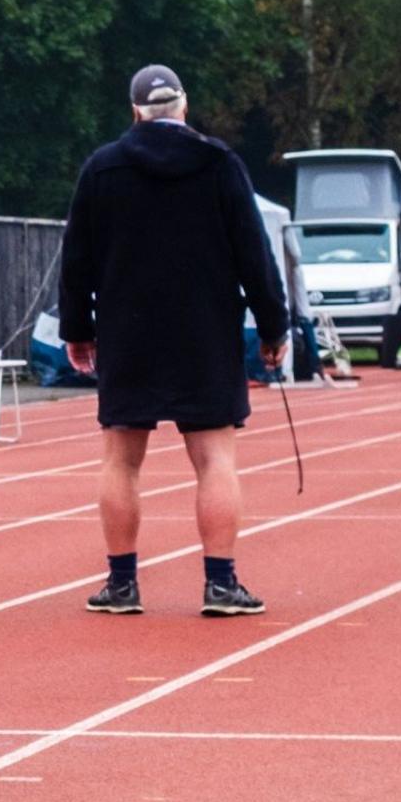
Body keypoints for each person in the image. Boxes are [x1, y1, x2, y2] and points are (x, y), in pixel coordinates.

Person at [57, 65, 288, 618]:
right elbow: (253, 252)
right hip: (205, 330)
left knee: (121, 458)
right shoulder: (219, 164)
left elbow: (77, 258)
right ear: (184, 106)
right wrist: (274, 324)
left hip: (128, 329)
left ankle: (121, 584)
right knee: (214, 459)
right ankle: (220, 583)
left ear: (134, 111)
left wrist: (77, 330)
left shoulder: (102, 168)